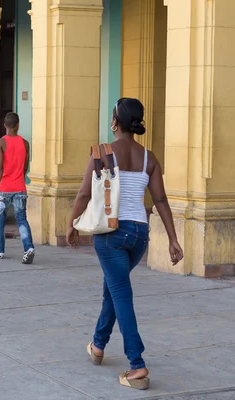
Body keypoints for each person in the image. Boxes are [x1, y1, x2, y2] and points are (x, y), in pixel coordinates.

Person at [66, 98, 184, 390]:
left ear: (115, 122)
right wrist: (172, 238)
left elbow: (83, 195)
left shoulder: (102, 153)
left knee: (120, 293)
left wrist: (71, 223)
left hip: (111, 234)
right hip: (139, 236)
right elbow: (160, 200)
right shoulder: (149, 157)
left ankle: (136, 365)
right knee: (113, 288)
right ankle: (98, 345)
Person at [0, 113, 35, 264]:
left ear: (5, 125)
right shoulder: (25, 143)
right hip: (20, 187)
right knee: (21, 219)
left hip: (4, 189)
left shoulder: (0, 143)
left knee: (0, 220)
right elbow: (25, 166)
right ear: (18, 125)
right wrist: (18, 177)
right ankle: (28, 248)